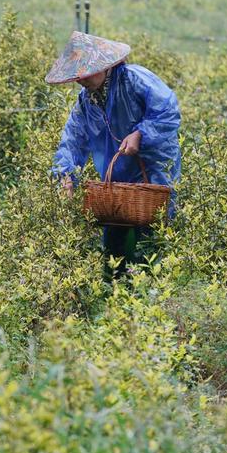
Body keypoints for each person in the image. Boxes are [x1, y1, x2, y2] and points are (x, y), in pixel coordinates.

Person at [47, 31, 181, 280]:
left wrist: (141, 134)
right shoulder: (86, 101)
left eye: (85, 73)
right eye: (77, 76)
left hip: (153, 167)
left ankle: (151, 295)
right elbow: (72, 140)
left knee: (151, 232)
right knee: (113, 238)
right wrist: (65, 174)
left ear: (103, 66)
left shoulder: (135, 80)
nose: (80, 80)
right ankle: (115, 291)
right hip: (117, 178)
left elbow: (168, 111)